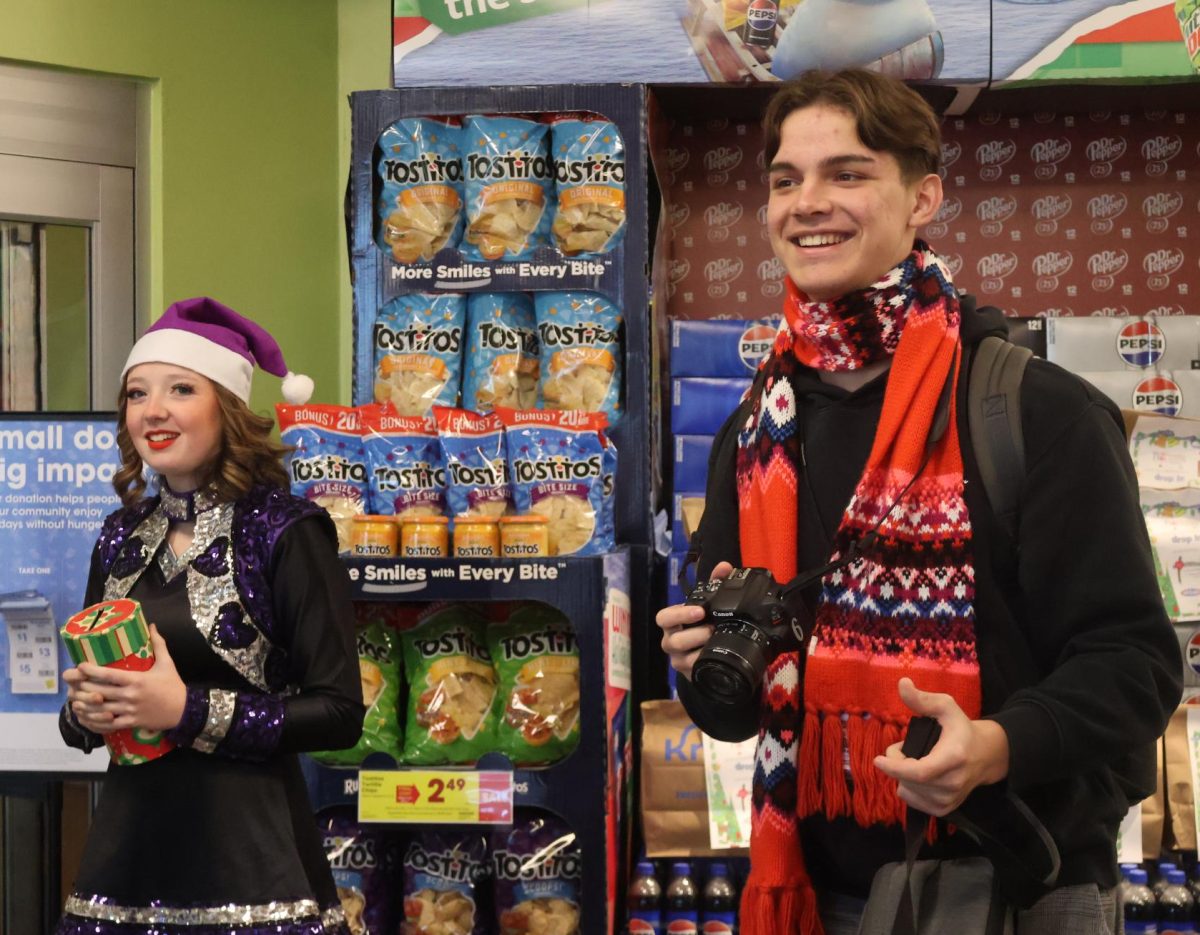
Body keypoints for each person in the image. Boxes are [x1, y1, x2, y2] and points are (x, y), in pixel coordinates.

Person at [657, 69, 1182, 935]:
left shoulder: (1033, 409)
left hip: (1016, 897)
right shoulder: (757, 430)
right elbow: (741, 708)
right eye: (786, 180)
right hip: (815, 900)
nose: (808, 202)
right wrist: (702, 665)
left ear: (923, 198)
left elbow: (1136, 663)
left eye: (848, 174)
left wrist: (1000, 744)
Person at [56, 297, 364, 934]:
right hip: (123, 866)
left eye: (180, 388)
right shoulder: (120, 536)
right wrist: (84, 713)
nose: (153, 410)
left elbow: (338, 712)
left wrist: (185, 710)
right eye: (136, 393)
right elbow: (94, 718)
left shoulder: (287, 530)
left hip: (256, 873)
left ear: (226, 408)